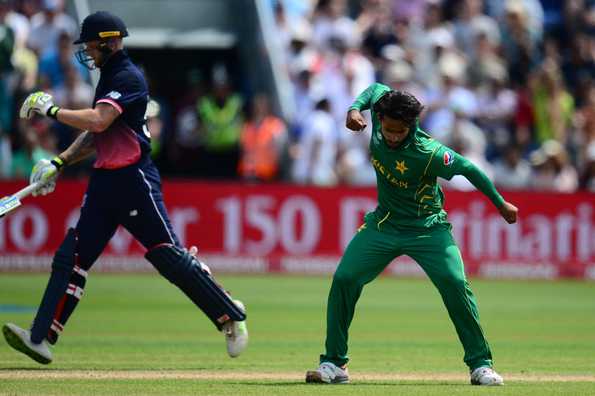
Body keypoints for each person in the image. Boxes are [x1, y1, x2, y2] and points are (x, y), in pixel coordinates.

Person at [2, 11, 248, 365]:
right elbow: (98, 132)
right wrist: (59, 163)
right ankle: (40, 338)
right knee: (72, 257)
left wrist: (52, 110)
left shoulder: (129, 76)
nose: (87, 50)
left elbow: (100, 119)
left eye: (90, 44)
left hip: (134, 180)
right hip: (104, 182)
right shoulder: (108, 76)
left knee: (168, 256)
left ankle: (230, 315)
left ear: (109, 41)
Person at [305, 83, 518, 386]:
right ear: (380, 119)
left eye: (399, 132)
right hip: (384, 224)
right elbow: (375, 88)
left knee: (455, 284)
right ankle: (334, 363)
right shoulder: (380, 116)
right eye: (388, 130)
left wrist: (500, 203)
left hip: (427, 228)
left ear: (412, 125)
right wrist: (354, 109)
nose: (391, 136)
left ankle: (480, 365)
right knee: (344, 279)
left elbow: (469, 169)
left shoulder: (428, 152)